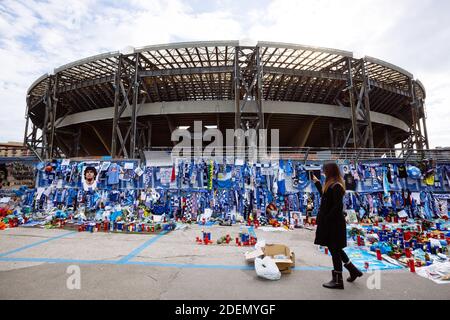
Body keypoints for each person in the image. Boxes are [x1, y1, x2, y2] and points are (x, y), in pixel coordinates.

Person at [312, 162, 363, 290]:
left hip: (333, 224)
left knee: (335, 250)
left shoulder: (337, 186)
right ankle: (353, 270)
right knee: (336, 249)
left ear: (330, 171)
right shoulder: (331, 185)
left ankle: (338, 281)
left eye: (325, 171)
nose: (323, 173)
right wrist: (317, 183)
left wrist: (327, 219)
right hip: (331, 222)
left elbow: (338, 206)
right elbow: (325, 197)